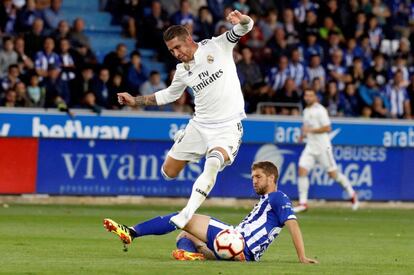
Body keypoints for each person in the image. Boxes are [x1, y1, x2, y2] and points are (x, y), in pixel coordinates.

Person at [117, 10, 253, 229]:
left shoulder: (217, 45)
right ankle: (198, 149)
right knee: (168, 173)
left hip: (227, 127)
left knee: (214, 162)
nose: (176, 53)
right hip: (199, 126)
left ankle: (186, 212)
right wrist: (135, 100)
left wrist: (243, 20)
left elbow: (246, 27)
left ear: (189, 39)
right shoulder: (181, 71)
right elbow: (169, 95)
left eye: (178, 47)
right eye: (171, 51)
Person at [103, 161, 319, 264]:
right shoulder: (267, 200)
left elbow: (293, 224)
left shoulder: (277, 197)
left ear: (272, 178)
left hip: (238, 242)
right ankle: (189, 253)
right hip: (241, 252)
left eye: (258, 177)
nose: (254, 181)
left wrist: (301, 257)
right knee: (185, 233)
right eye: (252, 177)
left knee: (184, 217)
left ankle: (132, 232)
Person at [294, 89, 359, 213]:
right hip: (310, 146)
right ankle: (303, 203)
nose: (307, 97)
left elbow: (327, 127)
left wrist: (310, 131)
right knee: (302, 170)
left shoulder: (320, 110)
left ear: (315, 97)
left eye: (310, 95)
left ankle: (352, 194)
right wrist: (303, 135)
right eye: (306, 95)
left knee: (333, 174)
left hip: (323, 147)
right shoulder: (306, 111)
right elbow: (307, 127)